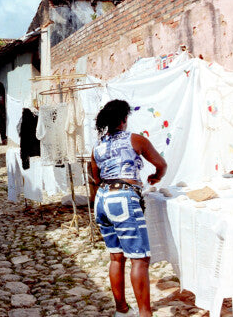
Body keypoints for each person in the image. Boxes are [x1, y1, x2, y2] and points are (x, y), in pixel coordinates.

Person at [90, 100, 167, 317]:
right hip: (123, 198)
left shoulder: (98, 146)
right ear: (124, 119)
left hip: (103, 199)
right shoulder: (135, 139)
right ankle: (145, 313)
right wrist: (156, 176)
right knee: (139, 259)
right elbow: (161, 164)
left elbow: (96, 178)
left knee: (116, 257)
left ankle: (121, 310)